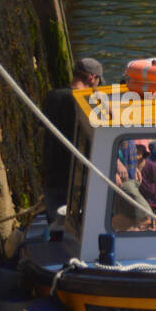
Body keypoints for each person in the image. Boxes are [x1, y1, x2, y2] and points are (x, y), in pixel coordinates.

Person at [41, 57, 103, 211]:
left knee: (55, 225)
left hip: (51, 171)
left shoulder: (52, 97)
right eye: (98, 82)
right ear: (91, 78)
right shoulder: (86, 102)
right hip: (75, 175)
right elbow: (94, 138)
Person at [134, 143, 156, 224]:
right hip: (135, 210)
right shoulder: (126, 170)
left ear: (144, 151)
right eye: (134, 148)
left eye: (140, 148)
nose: (137, 151)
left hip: (154, 208)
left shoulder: (154, 168)